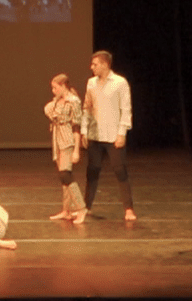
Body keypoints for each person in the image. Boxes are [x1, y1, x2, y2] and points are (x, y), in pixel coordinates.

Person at [82, 49, 135, 221]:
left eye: (95, 64)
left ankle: (128, 209)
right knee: (92, 171)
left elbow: (126, 110)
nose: (92, 67)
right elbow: (87, 108)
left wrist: (122, 134)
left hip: (113, 135)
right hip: (95, 135)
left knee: (120, 171)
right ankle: (86, 206)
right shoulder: (91, 83)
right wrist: (84, 130)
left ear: (105, 64)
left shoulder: (120, 82)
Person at [45, 73, 85, 223]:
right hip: (57, 138)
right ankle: (66, 210)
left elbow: (76, 125)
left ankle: (81, 208)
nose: (53, 91)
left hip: (67, 139)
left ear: (63, 86)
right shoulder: (57, 101)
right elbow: (50, 111)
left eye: (55, 88)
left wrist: (76, 149)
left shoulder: (73, 101)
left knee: (65, 174)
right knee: (62, 176)